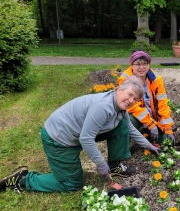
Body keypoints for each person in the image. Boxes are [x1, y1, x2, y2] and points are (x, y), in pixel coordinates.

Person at [0, 77, 160, 193]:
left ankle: (115, 166)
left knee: (121, 125)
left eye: (136, 99)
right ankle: (23, 179)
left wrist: (150, 146)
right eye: (129, 94)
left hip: (77, 134)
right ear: (119, 90)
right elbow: (86, 138)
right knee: (71, 184)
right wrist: (100, 163)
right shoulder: (103, 107)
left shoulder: (120, 107)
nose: (131, 100)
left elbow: (130, 129)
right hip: (58, 139)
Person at [118, 50, 175, 145]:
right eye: (137, 64)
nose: (141, 67)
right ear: (132, 65)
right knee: (126, 122)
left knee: (163, 141)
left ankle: (144, 135)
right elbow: (133, 107)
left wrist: (168, 128)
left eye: (145, 64)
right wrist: (150, 124)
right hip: (135, 116)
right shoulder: (126, 79)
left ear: (149, 65)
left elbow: (163, 105)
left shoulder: (156, 79)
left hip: (152, 118)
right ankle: (124, 149)